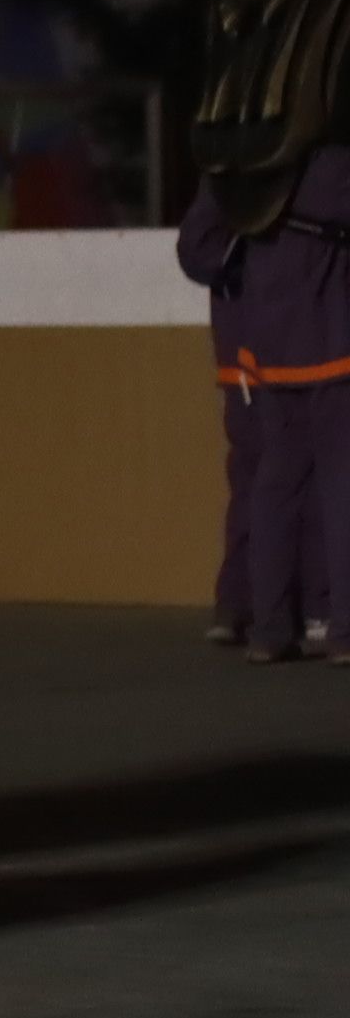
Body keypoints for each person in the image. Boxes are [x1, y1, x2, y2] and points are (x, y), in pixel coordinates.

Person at [178, 161, 348, 661]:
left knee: (270, 485)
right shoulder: (330, 170)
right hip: (332, 347)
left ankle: (267, 626)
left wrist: (247, 274)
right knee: (336, 487)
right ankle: (335, 622)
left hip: (265, 351)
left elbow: (196, 250)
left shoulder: (234, 171)